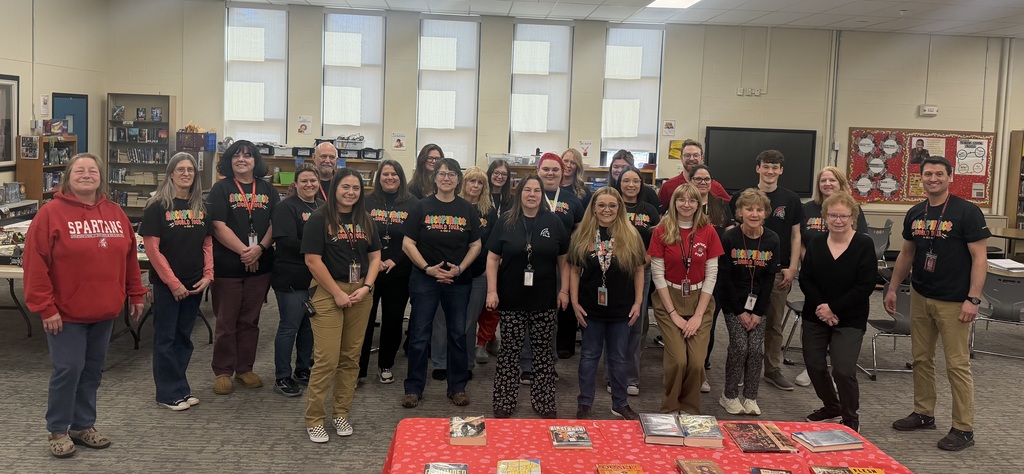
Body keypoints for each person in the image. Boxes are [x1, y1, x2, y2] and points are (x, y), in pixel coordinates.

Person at [24, 153, 146, 458]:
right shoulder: (50, 214)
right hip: (64, 313)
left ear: (101, 178)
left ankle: (82, 425)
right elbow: (34, 263)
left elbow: (130, 258)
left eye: (93, 170)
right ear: (68, 176)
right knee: (69, 368)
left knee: (92, 370)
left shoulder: (116, 213)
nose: (87, 175)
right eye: (80, 170)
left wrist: (136, 293)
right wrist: (45, 307)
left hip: (104, 310)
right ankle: (57, 428)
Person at [884, 156, 988, 452]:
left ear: (949, 177)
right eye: (928, 174)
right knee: (921, 358)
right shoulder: (916, 212)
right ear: (921, 178)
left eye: (939, 174)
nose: (933, 178)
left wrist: (973, 298)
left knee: (956, 364)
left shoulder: (967, 212)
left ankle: (964, 428)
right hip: (921, 294)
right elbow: (906, 254)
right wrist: (893, 288)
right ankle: (923, 412)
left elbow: (980, 258)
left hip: (955, 301)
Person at [301, 168, 381, 443]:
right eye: (345, 187)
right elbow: (312, 260)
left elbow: (375, 256)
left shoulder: (366, 220)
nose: (350, 193)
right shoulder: (319, 218)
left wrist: (367, 287)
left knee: (350, 357)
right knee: (327, 359)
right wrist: (336, 293)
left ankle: (341, 413)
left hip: (360, 293)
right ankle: (314, 419)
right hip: (327, 291)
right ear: (334, 188)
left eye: (356, 188)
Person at [486, 175, 570, 418]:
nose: (532, 194)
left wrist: (564, 290)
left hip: (543, 300)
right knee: (509, 351)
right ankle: (504, 401)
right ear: (519, 193)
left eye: (536, 190)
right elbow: (492, 258)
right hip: (511, 299)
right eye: (527, 190)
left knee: (543, 352)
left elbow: (563, 259)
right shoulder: (506, 222)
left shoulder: (553, 222)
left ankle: (544, 401)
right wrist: (492, 290)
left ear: (542, 195)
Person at [401, 158, 482, 408]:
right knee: (419, 335)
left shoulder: (467, 209)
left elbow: (476, 244)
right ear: (434, 178)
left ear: (458, 180)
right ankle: (414, 389)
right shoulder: (421, 206)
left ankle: (457, 387)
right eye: (442, 174)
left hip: (458, 281)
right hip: (425, 280)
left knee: (458, 334)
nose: (447, 178)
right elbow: (407, 243)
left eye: (452, 174)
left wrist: (460, 269)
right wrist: (427, 268)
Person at [140, 153, 213, 410]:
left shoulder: (201, 207)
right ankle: (166, 393)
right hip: (168, 286)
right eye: (180, 169)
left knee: (184, 338)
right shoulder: (157, 206)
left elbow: (207, 244)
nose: (185, 174)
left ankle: (181, 388)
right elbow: (152, 250)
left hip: (194, 284)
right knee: (165, 339)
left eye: (190, 170)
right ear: (170, 173)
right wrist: (173, 284)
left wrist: (208, 275)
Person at [799, 192, 876, 432]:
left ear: (852, 217)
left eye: (843, 216)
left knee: (843, 370)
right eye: (833, 215)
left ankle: (850, 416)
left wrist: (833, 308)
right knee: (814, 365)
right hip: (816, 314)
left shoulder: (863, 244)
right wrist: (822, 307)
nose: (838, 220)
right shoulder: (816, 243)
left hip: (850, 317)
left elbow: (866, 285)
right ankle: (831, 406)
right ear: (825, 217)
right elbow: (806, 279)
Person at [207, 139, 280, 395]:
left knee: (250, 320)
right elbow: (217, 226)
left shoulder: (268, 190)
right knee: (226, 320)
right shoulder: (221, 188)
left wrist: (259, 248)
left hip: (260, 266)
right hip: (228, 266)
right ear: (229, 160)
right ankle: (223, 371)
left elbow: (275, 223)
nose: (242, 159)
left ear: (255, 161)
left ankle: (245, 368)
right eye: (236, 155)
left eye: (248, 156)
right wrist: (245, 251)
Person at [569, 187, 647, 421]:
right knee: (589, 356)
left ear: (619, 208)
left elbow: (639, 270)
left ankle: (620, 404)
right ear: (593, 208)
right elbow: (573, 270)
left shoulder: (631, 235)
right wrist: (574, 301)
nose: (607, 210)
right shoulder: (582, 234)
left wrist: (638, 302)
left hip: (621, 309)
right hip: (590, 308)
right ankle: (585, 404)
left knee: (619, 358)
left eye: (612, 205)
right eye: (601, 205)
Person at [648, 184, 724, 415]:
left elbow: (712, 275)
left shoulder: (708, 231)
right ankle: (670, 406)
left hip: (700, 299)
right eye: (681, 199)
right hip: (668, 299)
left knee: (697, 362)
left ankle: (690, 409)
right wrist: (674, 315)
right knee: (679, 360)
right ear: (674, 202)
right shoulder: (661, 230)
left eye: (692, 200)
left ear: (699, 203)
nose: (686, 204)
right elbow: (657, 275)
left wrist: (698, 315)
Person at [730, 150, 801, 391]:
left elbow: (795, 234)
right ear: (757, 168)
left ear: (781, 170)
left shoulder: (791, 199)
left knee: (773, 322)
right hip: (743, 269)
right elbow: (733, 230)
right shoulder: (742, 197)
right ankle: (741, 368)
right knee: (740, 321)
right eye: (766, 167)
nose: (770, 171)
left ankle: (772, 369)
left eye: (775, 167)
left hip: (777, 271)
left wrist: (792, 267)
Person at [794, 166, 869, 387]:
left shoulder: (851, 208)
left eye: (832, 180)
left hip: (845, 278)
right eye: (823, 180)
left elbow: (859, 240)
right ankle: (814, 368)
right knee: (814, 324)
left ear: (841, 183)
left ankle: (836, 366)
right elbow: (799, 239)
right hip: (815, 273)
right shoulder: (808, 208)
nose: (827, 184)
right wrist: (811, 260)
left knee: (839, 325)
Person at [718, 188, 781, 416]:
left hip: (758, 306)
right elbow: (724, 279)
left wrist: (757, 313)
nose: (754, 214)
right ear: (740, 212)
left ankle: (751, 396)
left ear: (766, 213)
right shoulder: (730, 238)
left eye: (759, 209)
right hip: (733, 304)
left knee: (755, 350)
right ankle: (729, 395)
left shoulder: (772, 239)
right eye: (749, 209)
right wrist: (739, 311)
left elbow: (769, 279)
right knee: (739, 347)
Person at [431, 166, 495, 379]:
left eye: (480, 183)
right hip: (446, 271)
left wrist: (489, 270)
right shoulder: (451, 205)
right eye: (472, 181)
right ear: (462, 183)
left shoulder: (489, 212)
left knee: (468, 322)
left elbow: (494, 245)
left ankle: (465, 364)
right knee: (442, 320)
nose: (475, 186)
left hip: (476, 275)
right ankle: (440, 362)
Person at [359, 160, 417, 384]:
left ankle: (385, 365)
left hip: (399, 271)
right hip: (369, 271)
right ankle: (359, 368)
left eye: (394, 174)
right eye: (385, 174)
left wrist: (396, 259)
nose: (390, 178)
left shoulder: (413, 204)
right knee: (364, 320)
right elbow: (358, 234)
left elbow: (415, 239)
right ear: (378, 177)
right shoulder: (366, 201)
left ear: (401, 177)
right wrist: (375, 260)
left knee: (393, 321)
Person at [270, 164, 323, 397]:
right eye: (304, 181)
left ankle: (303, 369)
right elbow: (287, 241)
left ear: (319, 182)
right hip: (291, 277)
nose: (309, 184)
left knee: (308, 328)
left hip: (316, 278)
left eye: (313, 180)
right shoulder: (285, 207)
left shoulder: (323, 207)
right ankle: (282, 376)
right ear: (296, 183)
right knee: (289, 327)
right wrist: (319, 250)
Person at [613, 166, 661, 396]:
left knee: (636, 324)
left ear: (641, 185)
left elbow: (656, 240)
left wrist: (647, 261)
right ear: (619, 183)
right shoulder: (611, 205)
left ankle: (631, 377)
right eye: (626, 181)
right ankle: (612, 375)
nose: (631, 185)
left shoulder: (650, 210)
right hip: (612, 272)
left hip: (642, 270)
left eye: (635, 181)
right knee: (612, 323)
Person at [690, 164, 735, 393]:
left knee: (707, 322)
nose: (703, 183)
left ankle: (702, 369)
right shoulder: (682, 202)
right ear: (690, 181)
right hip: (686, 273)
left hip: (715, 271)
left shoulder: (721, 206)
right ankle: (685, 367)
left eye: (706, 179)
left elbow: (729, 235)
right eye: (698, 179)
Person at [537, 153, 585, 360]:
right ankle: (529, 361)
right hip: (531, 263)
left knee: (553, 313)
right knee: (529, 313)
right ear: (538, 171)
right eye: (546, 169)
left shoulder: (572, 200)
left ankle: (549, 360)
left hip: (561, 264)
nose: (550, 173)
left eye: (555, 169)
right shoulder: (529, 194)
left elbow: (581, 230)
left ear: (562, 172)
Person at [477, 159, 514, 362]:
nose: (499, 177)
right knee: (479, 303)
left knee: (494, 303)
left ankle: (483, 341)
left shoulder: (512, 200)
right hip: (481, 256)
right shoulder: (481, 196)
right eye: (496, 173)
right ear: (490, 174)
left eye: (504, 174)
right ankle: (488, 338)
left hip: (504, 258)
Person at [657, 139, 731, 210]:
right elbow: (659, 214)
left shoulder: (714, 186)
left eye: (696, 155)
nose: (692, 159)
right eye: (687, 155)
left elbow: (731, 208)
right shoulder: (667, 187)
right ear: (681, 158)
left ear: (702, 158)